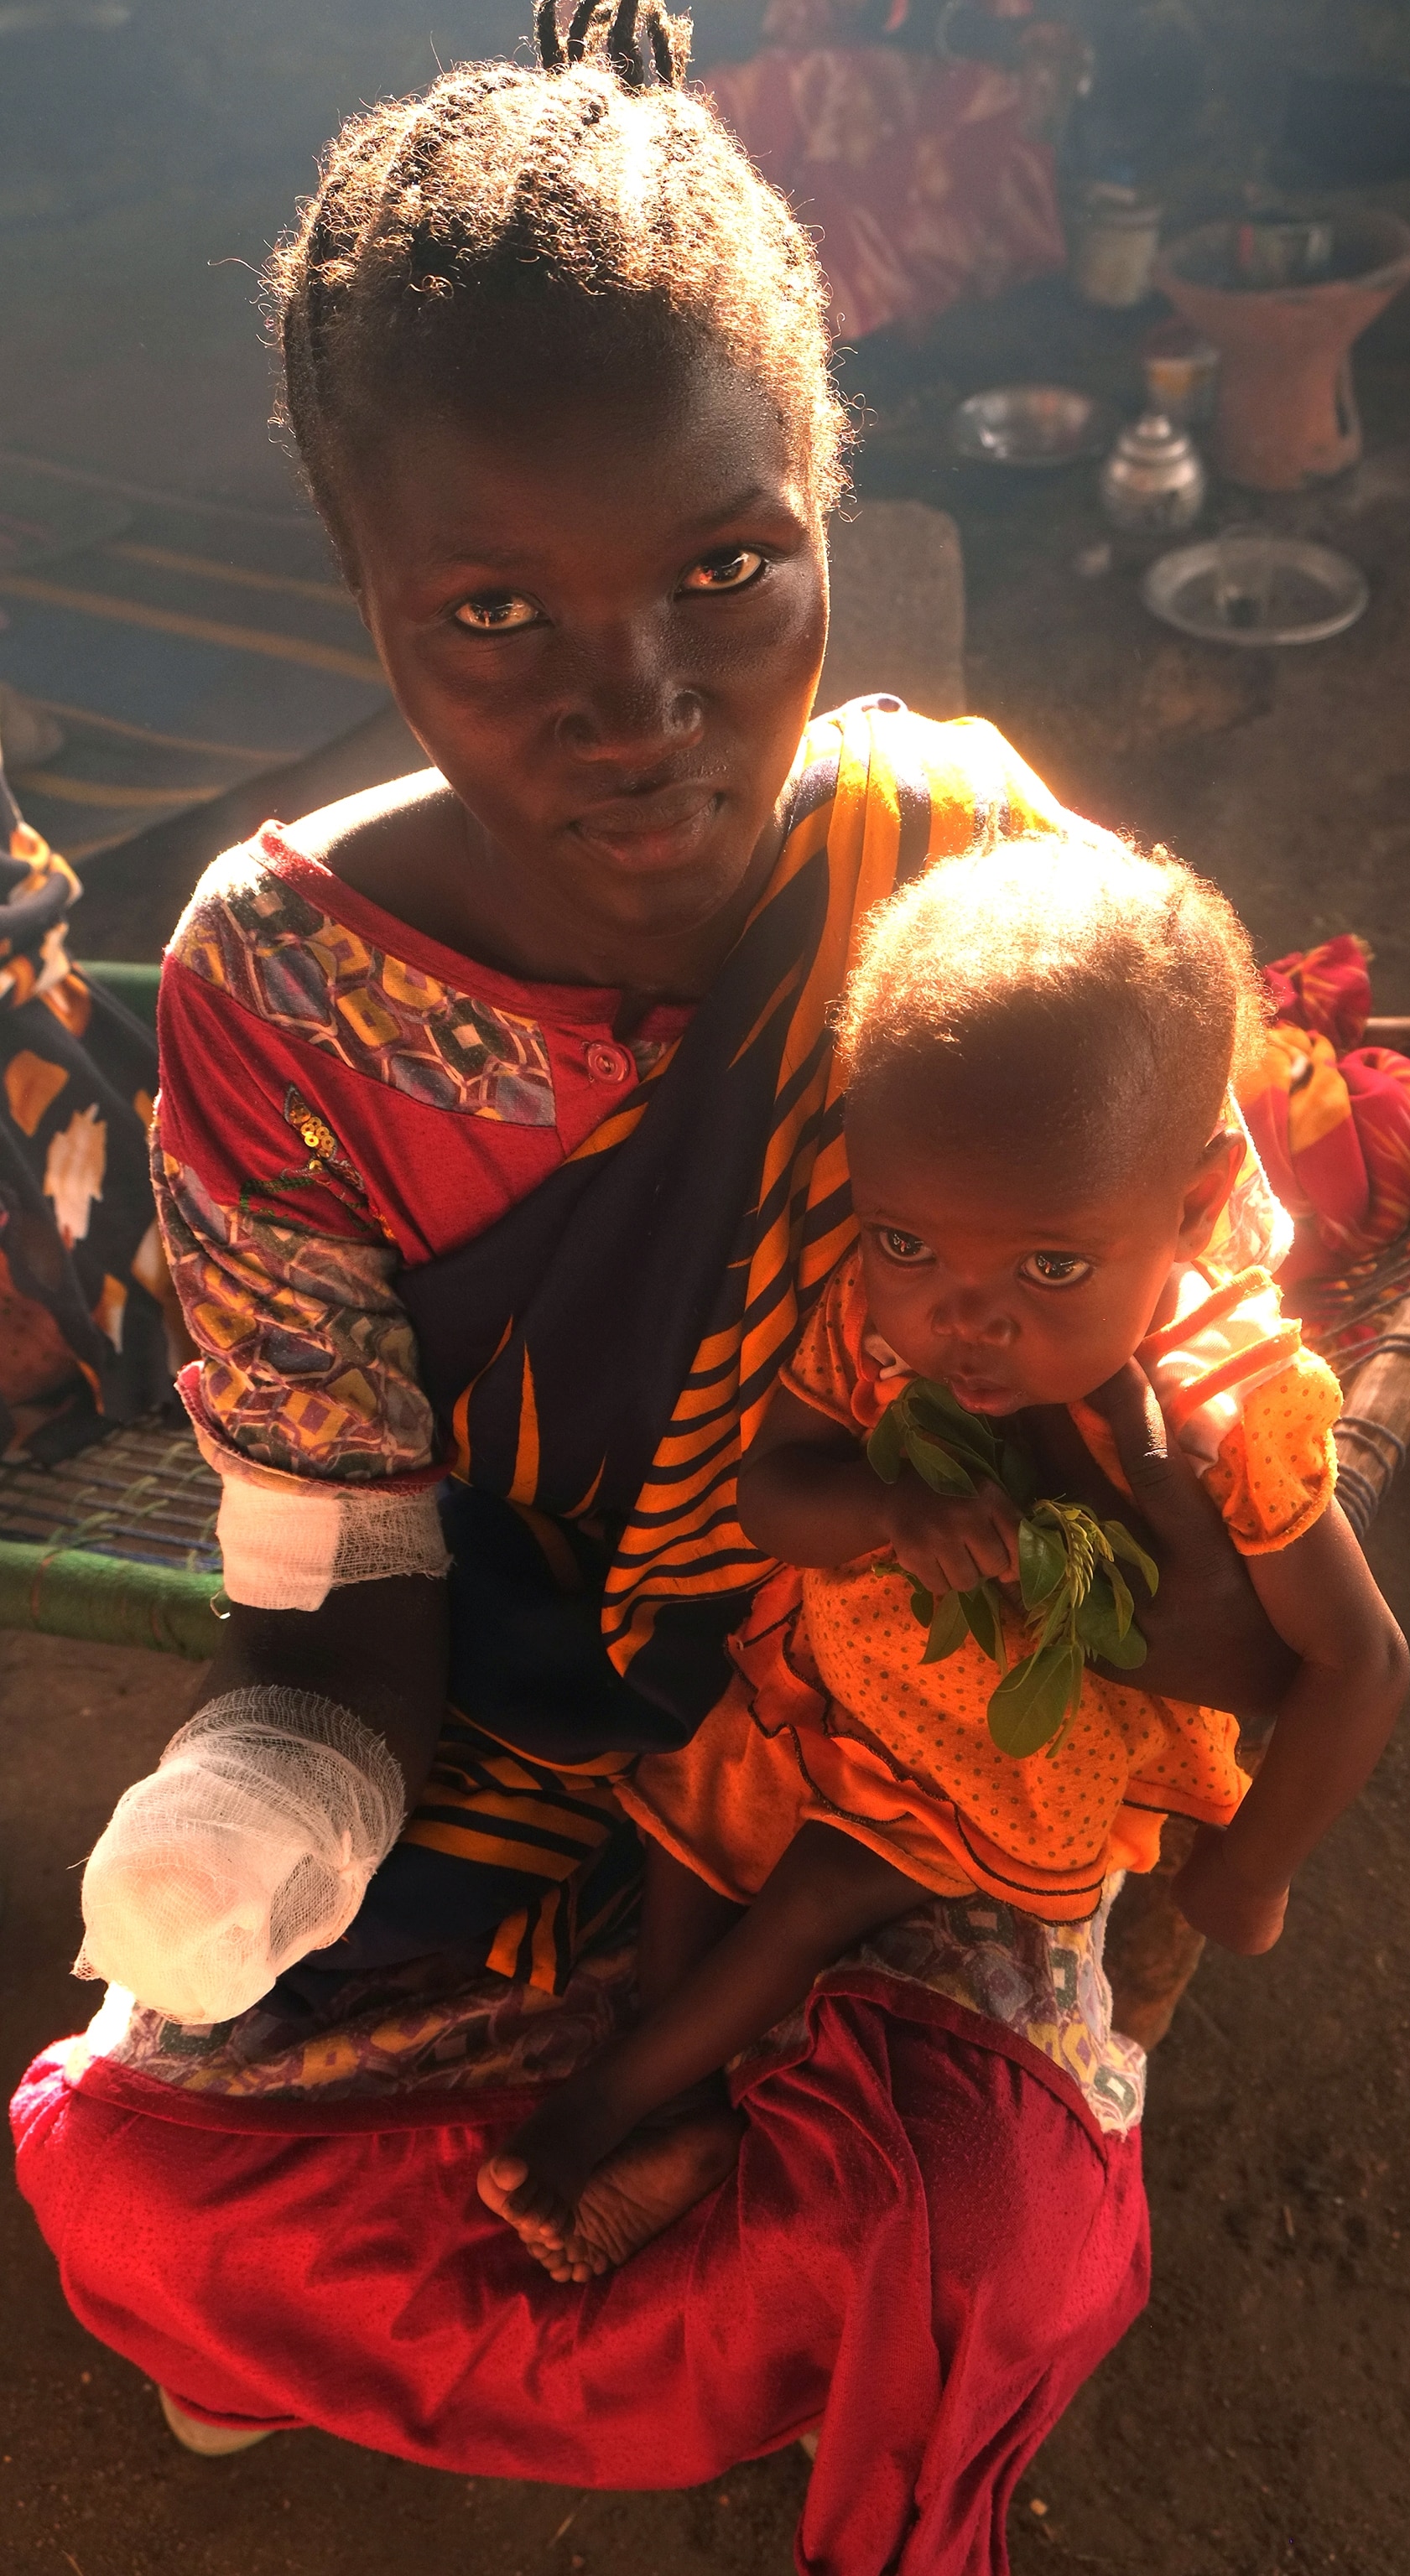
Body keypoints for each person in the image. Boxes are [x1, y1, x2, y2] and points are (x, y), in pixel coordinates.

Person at [13, 8, 1302, 2561]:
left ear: (821, 498)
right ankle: (505, 2227)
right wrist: (255, 1828)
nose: (640, 703)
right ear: (365, 600)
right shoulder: (279, 985)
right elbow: (344, 1582)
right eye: (494, 607)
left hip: (902, 1755)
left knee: (990, 2230)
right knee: (136, 2187)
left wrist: (1124, 1650)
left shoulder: (961, 860)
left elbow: (1187, 1332)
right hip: (500, 1727)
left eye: (729, 566)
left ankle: (574, 2243)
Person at [478, 830, 1410, 2279]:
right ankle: (695, 2111)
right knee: (684, 1830)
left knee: (813, 1895)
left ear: (1188, 1203)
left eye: (1050, 1269)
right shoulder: (874, 1314)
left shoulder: (1229, 1402)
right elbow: (770, 1499)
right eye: (909, 1241)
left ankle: (604, 2103)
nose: (965, 1318)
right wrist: (893, 1513)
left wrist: (1254, 1873)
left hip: (996, 1754)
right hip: (819, 1681)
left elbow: (1359, 1658)